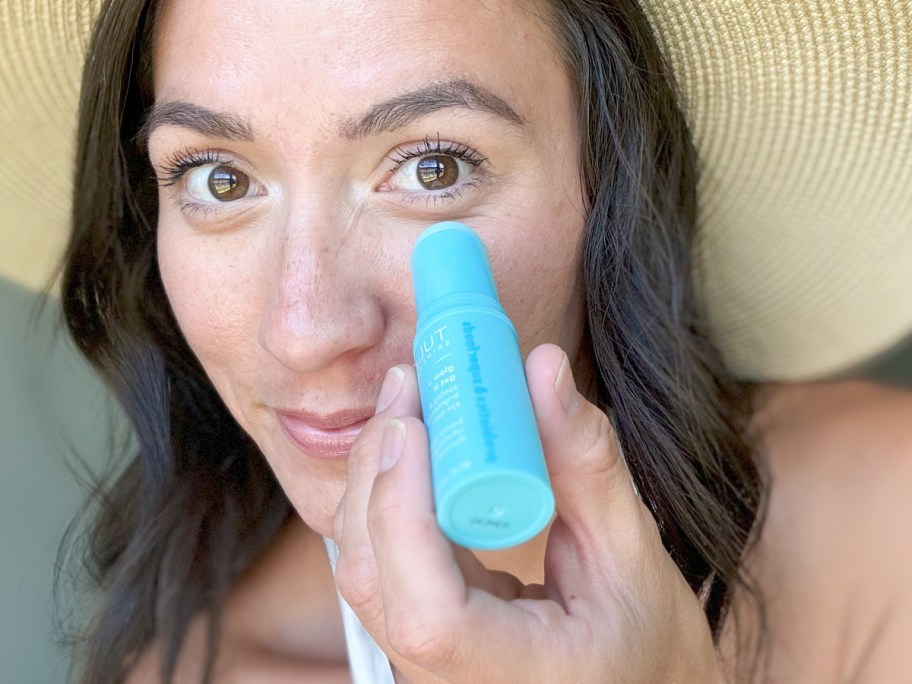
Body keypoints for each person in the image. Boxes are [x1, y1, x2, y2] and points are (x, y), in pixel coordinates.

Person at [56, 0, 912, 682]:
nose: (305, 332)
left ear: (609, 182)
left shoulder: (882, 527)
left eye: (435, 167)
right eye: (220, 178)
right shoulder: (193, 669)